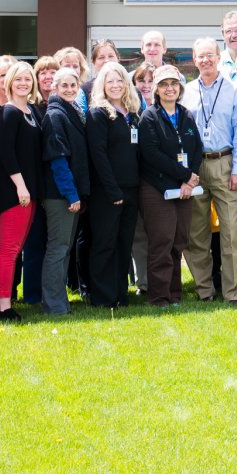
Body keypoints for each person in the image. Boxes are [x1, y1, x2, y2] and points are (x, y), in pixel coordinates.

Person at [184, 37, 237, 303]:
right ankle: (204, 290)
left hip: (224, 162)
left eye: (210, 55)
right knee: (196, 233)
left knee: (231, 232)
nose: (206, 60)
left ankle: (233, 292)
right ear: (194, 59)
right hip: (195, 166)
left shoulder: (234, 90)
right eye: (201, 56)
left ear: (218, 57)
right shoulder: (186, 91)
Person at [136, 65, 203, 306]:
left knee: (178, 242)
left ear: (180, 87)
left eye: (173, 84)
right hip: (158, 187)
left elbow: (197, 149)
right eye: (164, 85)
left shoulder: (186, 115)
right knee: (162, 242)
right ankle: (159, 297)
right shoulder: (149, 117)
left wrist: (190, 179)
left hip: (184, 187)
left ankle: (175, 294)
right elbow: (152, 155)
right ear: (156, 89)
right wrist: (185, 175)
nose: (169, 89)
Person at [84, 62, 141, 309]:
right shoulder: (98, 114)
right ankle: (103, 297)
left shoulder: (133, 114)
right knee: (105, 244)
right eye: (110, 81)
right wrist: (112, 190)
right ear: (102, 85)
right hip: (108, 192)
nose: (116, 85)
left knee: (124, 243)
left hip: (131, 189)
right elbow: (98, 155)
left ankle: (120, 294)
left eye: (119, 81)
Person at [0, 63, 44, 320]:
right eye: (18, 79)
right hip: (15, 193)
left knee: (17, 248)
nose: (23, 83)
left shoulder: (32, 111)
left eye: (27, 79)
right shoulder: (9, 112)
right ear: (8, 83)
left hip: (30, 192)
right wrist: (20, 186)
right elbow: (7, 153)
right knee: (9, 250)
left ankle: (6, 301)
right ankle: (3, 307)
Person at [40, 69, 89, 314]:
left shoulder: (72, 111)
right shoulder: (55, 115)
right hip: (60, 195)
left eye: (73, 85)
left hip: (71, 194)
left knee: (64, 248)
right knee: (58, 249)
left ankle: (60, 302)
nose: (69, 89)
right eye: (64, 85)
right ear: (55, 88)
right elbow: (58, 160)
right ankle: (54, 305)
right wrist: (71, 195)